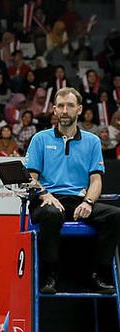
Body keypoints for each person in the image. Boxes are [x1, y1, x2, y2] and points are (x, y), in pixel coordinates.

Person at [26, 87, 120, 294]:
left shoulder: (92, 141)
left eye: (69, 105)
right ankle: (49, 275)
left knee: (115, 215)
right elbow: (31, 179)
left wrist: (88, 202)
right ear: (54, 110)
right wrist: (45, 194)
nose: (65, 110)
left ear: (79, 109)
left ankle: (100, 274)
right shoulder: (40, 139)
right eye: (60, 106)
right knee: (51, 213)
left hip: (77, 201)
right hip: (46, 200)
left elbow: (96, 181)